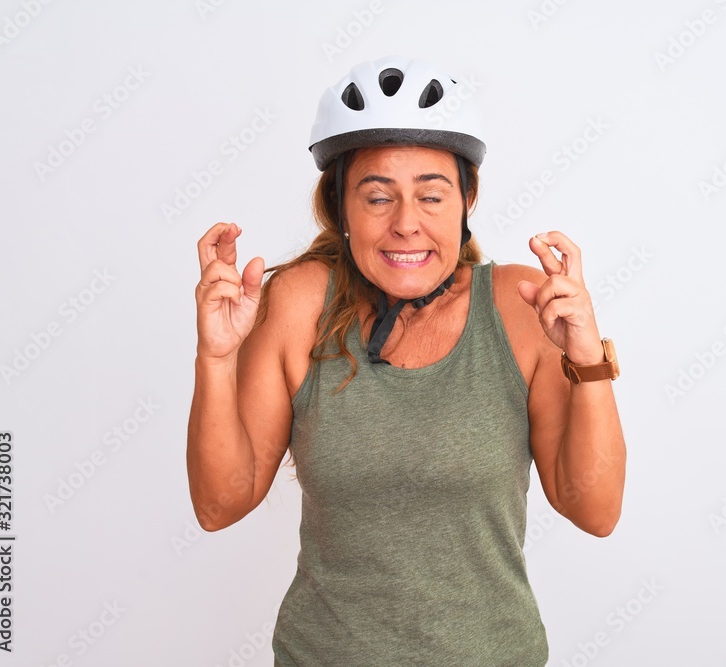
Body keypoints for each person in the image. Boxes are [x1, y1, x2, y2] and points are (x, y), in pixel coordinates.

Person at [187, 56, 626, 666]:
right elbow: (218, 506)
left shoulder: (519, 305)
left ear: (467, 199)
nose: (406, 225)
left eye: (431, 195)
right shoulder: (299, 303)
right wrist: (215, 357)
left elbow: (595, 512)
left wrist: (586, 358)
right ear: (340, 206)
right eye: (377, 198)